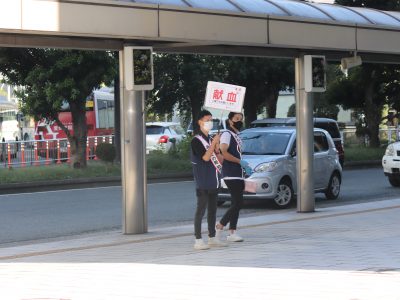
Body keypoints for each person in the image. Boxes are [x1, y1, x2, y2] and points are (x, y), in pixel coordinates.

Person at [191, 110, 227, 250]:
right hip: (202, 181)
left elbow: (220, 161)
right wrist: (213, 144)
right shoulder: (196, 140)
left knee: (212, 210)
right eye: (207, 120)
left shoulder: (211, 139)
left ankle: (212, 237)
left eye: (211, 120)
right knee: (200, 210)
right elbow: (205, 158)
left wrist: (217, 149)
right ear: (200, 122)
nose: (210, 123)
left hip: (214, 180)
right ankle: (198, 239)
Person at [216, 112, 251, 242]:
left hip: (238, 173)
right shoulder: (227, 134)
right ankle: (220, 226)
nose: (239, 121)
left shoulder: (237, 135)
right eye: (236, 119)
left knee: (236, 203)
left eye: (241, 119)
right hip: (231, 173)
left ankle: (232, 232)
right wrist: (239, 162)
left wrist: (244, 166)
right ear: (230, 121)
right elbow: (224, 152)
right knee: (238, 202)